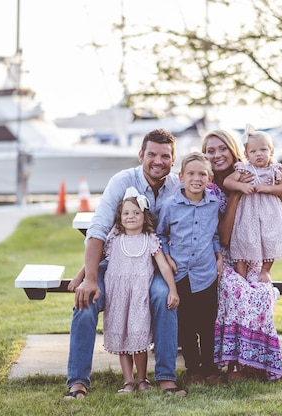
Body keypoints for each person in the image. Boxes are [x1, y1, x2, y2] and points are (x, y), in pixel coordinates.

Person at [64, 128, 186, 399]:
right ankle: (78, 381)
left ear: (173, 159)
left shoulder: (179, 185)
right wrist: (90, 277)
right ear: (141, 154)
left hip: (156, 264)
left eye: (165, 156)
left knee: (164, 295)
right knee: (86, 300)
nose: (158, 160)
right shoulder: (122, 181)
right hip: (118, 264)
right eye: (151, 154)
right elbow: (98, 231)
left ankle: (166, 377)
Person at [203, 129, 282, 381]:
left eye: (222, 148)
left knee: (260, 291)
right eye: (210, 151)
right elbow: (224, 239)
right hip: (222, 256)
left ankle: (258, 362)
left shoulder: (254, 171)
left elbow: (280, 214)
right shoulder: (208, 187)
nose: (217, 155)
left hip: (253, 252)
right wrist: (238, 192)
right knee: (235, 289)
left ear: (233, 150)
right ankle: (234, 364)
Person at [102, 187, 180, 394]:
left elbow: (163, 266)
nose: (131, 217)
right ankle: (128, 380)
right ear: (120, 216)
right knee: (122, 339)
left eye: (136, 213)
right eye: (126, 213)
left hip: (139, 297)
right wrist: (81, 277)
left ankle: (142, 379)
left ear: (144, 217)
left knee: (138, 338)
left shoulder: (150, 240)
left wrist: (173, 290)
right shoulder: (114, 239)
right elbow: (96, 259)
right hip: (117, 298)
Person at [156, 152, 224, 386]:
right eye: (191, 174)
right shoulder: (170, 206)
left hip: (205, 273)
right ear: (181, 177)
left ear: (210, 178)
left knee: (207, 323)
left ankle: (210, 367)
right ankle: (193, 368)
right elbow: (161, 235)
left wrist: (218, 255)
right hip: (181, 272)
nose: (197, 178)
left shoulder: (214, 204)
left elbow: (215, 234)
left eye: (202, 174)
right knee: (186, 323)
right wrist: (167, 257)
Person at [223, 124, 282, 282]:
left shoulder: (275, 169)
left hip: (269, 214)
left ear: (272, 151)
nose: (259, 154)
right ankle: (240, 272)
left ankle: (265, 270)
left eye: (263, 150)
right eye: (253, 151)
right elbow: (228, 182)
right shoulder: (244, 169)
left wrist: (270, 188)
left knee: (270, 239)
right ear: (247, 155)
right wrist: (241, 186)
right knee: (243, 238)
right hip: (248, 214)